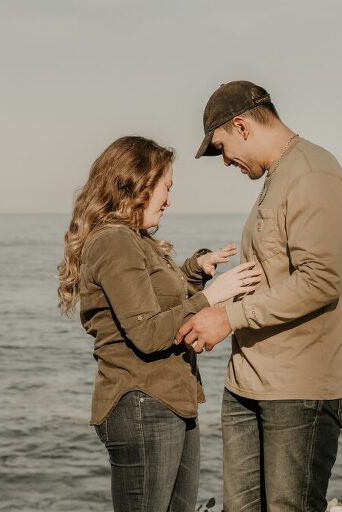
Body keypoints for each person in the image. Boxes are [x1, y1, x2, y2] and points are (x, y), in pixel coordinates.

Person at [176, 81, 342, 511]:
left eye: (220, 148)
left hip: (298, 389)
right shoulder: (278, 178)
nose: (225, 163)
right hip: (248, 383)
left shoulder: (313, 173)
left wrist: (228, 318)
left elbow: (320, 280)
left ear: (241, 126)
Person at [57, 135, 263, 511]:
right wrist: (212, 297)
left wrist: (195, 272)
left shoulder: (135, 240)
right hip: (141, 404)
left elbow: (157, 302)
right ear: (137, 184)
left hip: (169, 402)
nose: (169, 200)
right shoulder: (114, 243)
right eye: (165, 188)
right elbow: (149, 332)